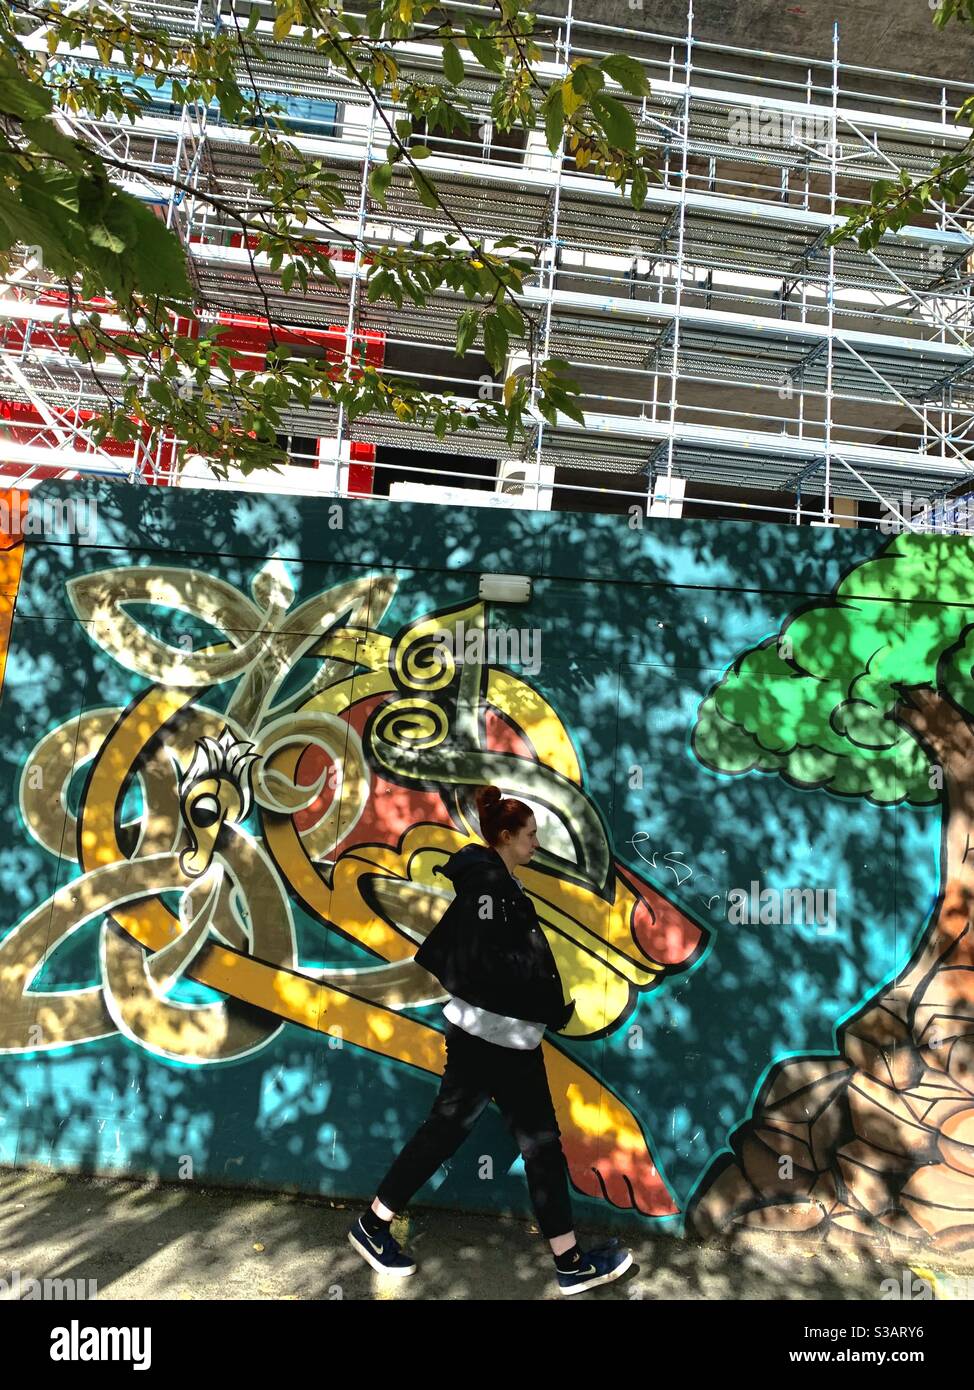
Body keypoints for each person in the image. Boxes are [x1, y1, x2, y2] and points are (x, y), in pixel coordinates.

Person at [347, 784, 634, 1296]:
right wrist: (529, 993)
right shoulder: (486, 884)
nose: (535, 844)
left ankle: (568, 1262)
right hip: (491, 1042)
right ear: (505, 837)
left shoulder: (498, 881)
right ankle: (373, 1226)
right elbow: (484, 956)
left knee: (528, 1143)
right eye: (529, 836)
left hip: (507, 1041)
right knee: (482, 1137)